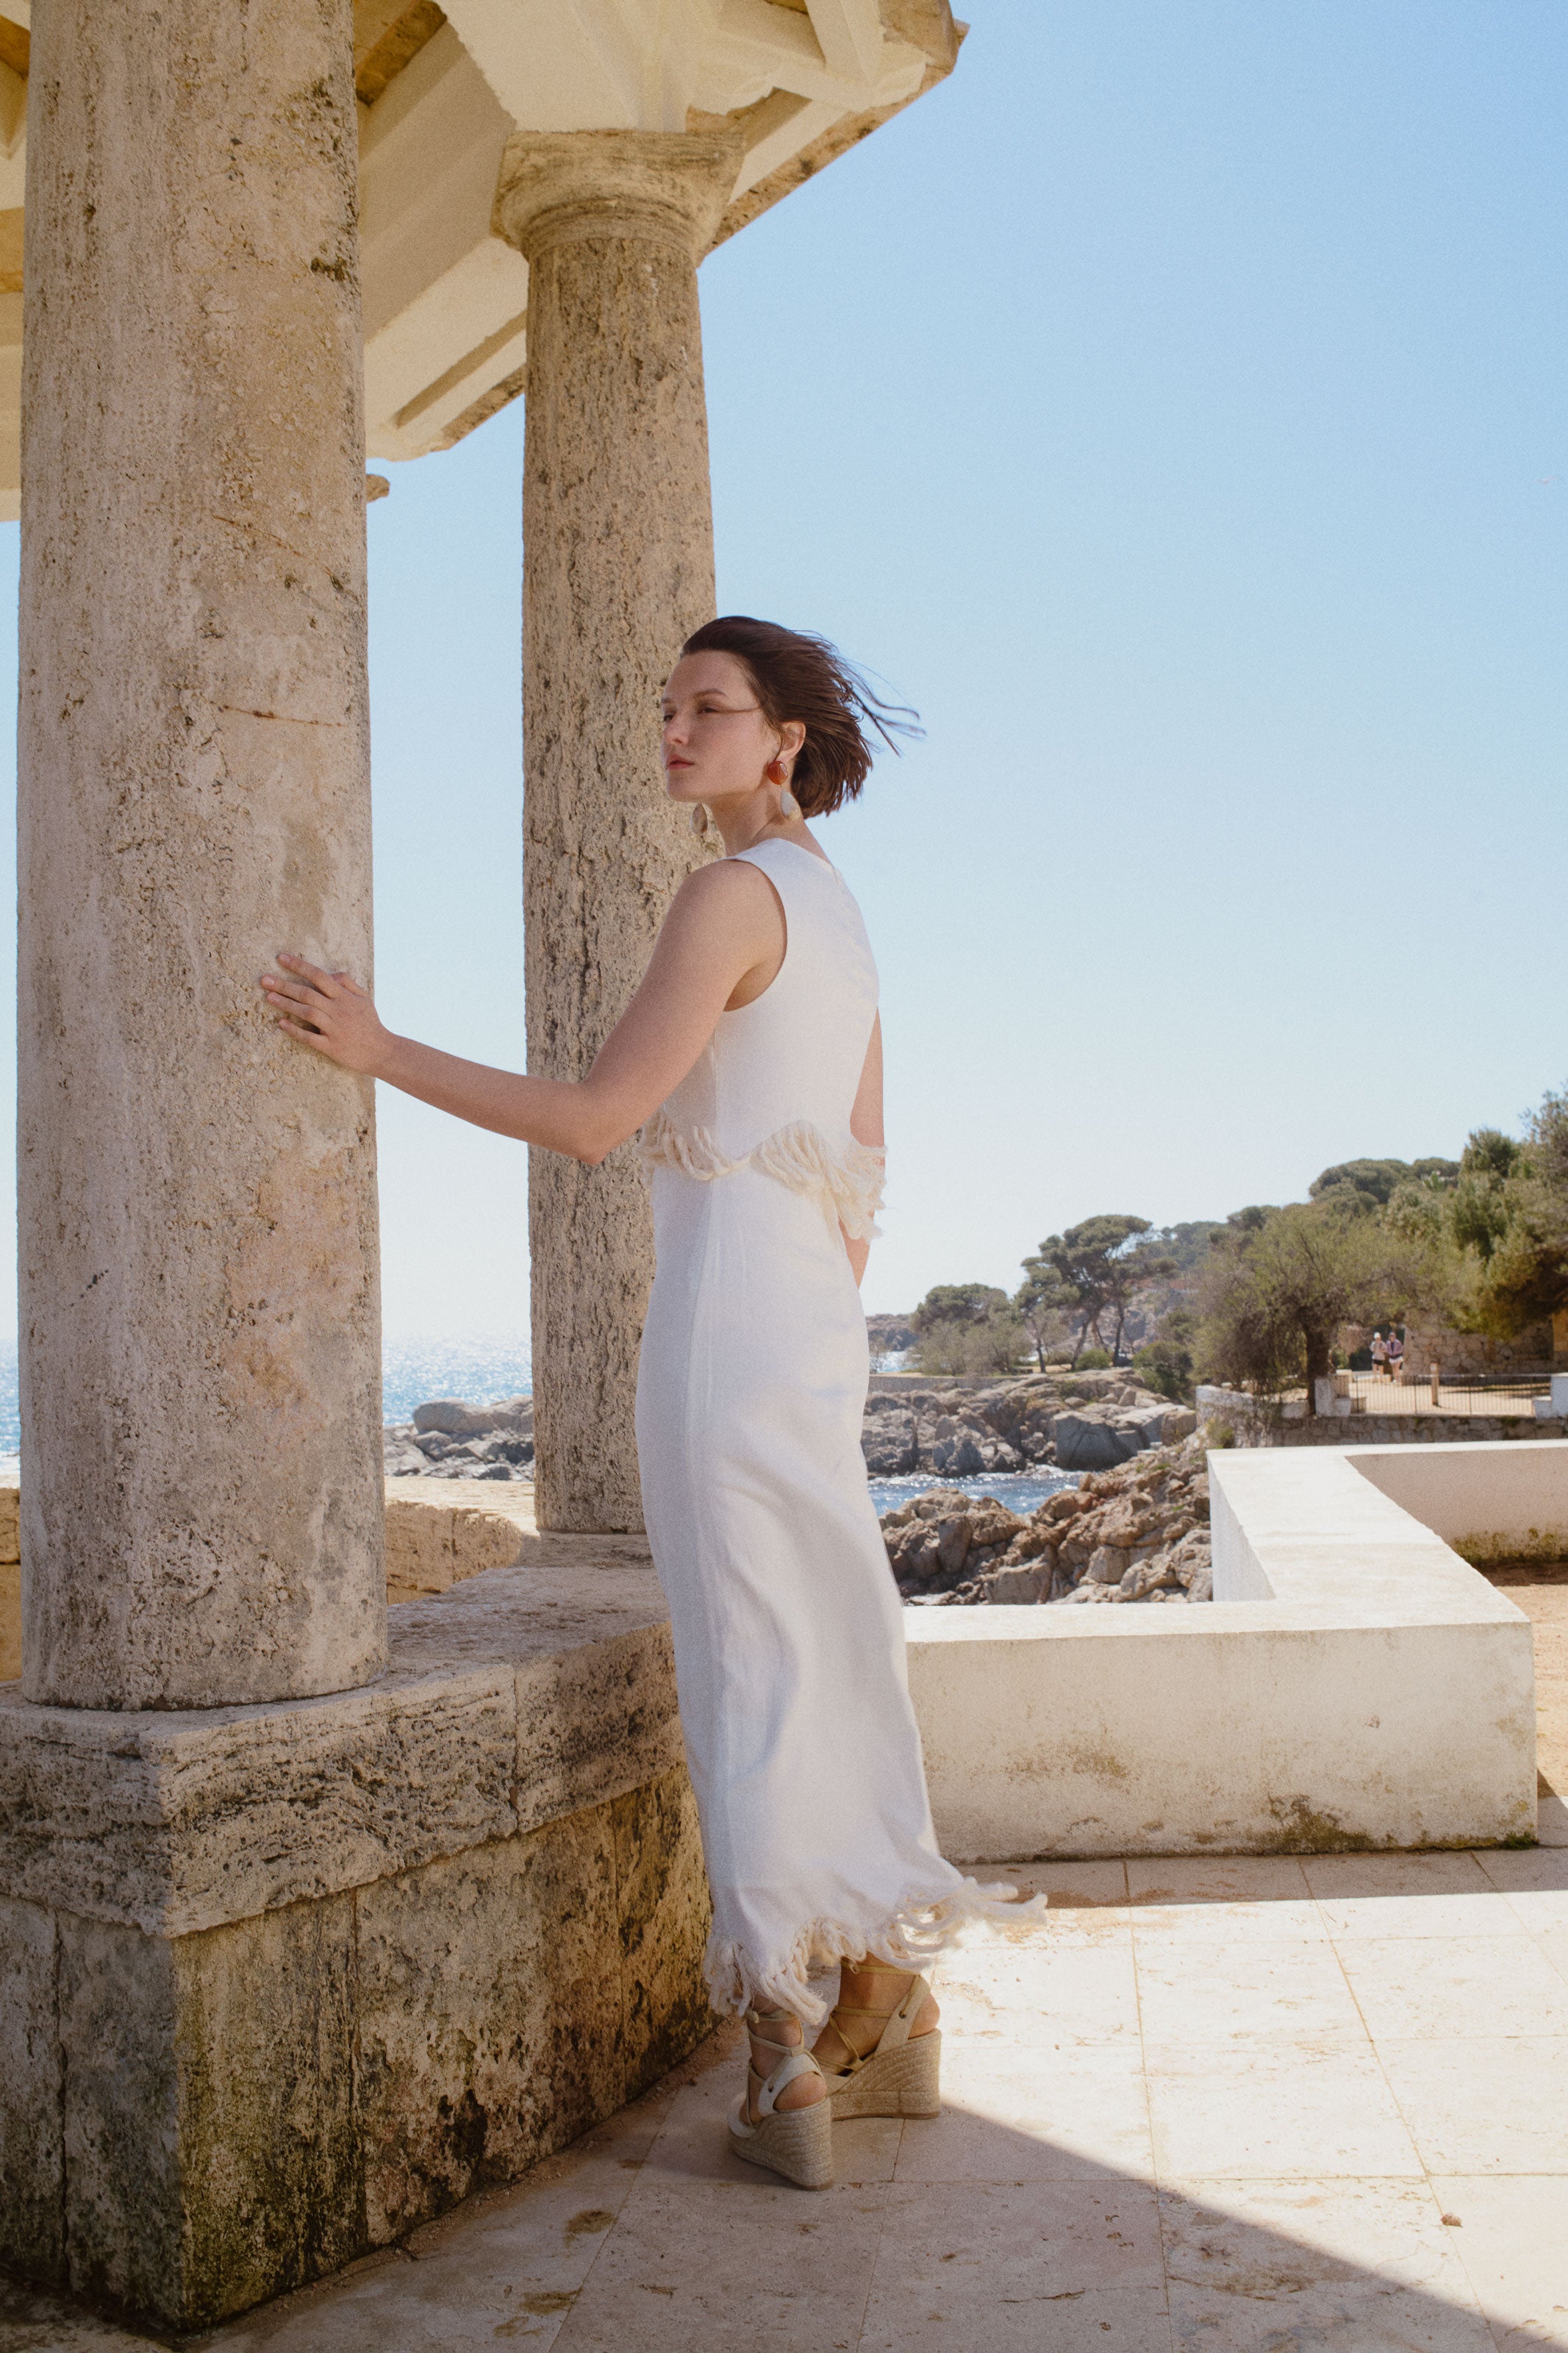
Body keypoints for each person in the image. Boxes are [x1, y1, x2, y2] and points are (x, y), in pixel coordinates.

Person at [260, 615, 1036, 2194]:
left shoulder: (729, 893)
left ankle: (779, 2049)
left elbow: (601, 1119)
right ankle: (887, 1977)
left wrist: (380, 1047)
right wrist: (810, 1294)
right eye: (666, 704)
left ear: (785, 739)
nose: (672, 730)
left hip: (722, 1318)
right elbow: (866, 1166)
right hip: (814, 1314)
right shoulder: (837, 908)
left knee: (744, 1665)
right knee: (827, 1634)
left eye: (708, 708)